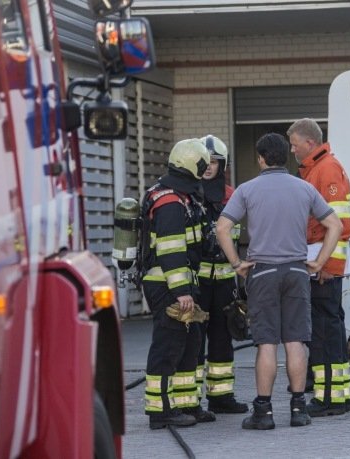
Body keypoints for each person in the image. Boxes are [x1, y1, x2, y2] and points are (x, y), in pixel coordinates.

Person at [215, 133, 343, 430]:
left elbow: (223, 227)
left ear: (260, 158)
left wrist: (236, 263)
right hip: (298, 271)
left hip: (263, 272)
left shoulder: (247, 190)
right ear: (286, 156)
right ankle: (299, 409)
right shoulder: (304, 188)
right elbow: (334, 225)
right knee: (296, 341)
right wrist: (320, 261)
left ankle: (264, 412)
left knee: (267, 344)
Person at [141, 138, 216, 429]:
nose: (206, 169)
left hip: (181, 282)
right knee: (168, 346)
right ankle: (160, 412)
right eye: (203, 164)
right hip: (169, 285)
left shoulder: (180, 196)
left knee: (191, 343)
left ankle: (187, 404)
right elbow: (171, 249)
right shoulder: (170, 202)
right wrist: (181, 292)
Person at [287, 118, 350, 416]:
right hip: (321, 260)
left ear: (310, 143)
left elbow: (339, 225)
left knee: (325, 332)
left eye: (294, 144)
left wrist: (328, 265)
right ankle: (337, 394)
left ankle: (329, 398)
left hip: (324, 265)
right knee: (329, 329)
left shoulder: (325, 169)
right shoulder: (317, 168)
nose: (292, 150)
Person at [195, 134, 248, 415]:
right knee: (192, 339)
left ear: (222, 164)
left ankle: (221, 396)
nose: (208, 167)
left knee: (222, 338)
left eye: (214, 162)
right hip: (197, 281)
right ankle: (189, 400)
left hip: (225, 281)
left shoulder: (231, 195)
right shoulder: (188, 193)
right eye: (204, 161)